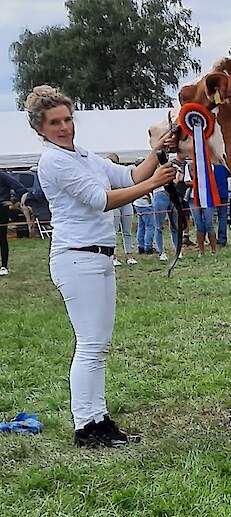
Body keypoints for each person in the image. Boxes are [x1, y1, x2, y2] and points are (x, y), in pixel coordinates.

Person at [27, 85, 176, 448]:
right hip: (77, 257)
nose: (65, 127)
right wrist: (155, 182)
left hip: (97, 256)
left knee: (98, 345)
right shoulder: (55, 162)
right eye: (55, 122)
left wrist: (156, 153)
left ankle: (97, 417)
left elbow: (128, 177)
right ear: (41, 128)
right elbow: (100, 200)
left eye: (67, 119)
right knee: (91, 345)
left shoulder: (82, 156)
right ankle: (86, 425)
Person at [106, 154, 137, 266]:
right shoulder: (105, 175)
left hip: (126, 202)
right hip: (114, 203)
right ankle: (113, 256)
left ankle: (129, 255)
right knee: (114, 231)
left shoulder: (121, 172)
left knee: (127, 231)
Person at [0, 171, 14, 275]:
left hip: (1, 210)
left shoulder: (2, 175)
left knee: (2, 238)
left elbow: (20, 188)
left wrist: (13, 201)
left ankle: (4, 266)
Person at [214, 164, 231, 247]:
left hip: (212, 194)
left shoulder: (207, 164)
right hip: (223, 193)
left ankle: (212, 238)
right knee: (222, 216)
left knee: (208, 217)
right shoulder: (223, 166)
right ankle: (222, 239)